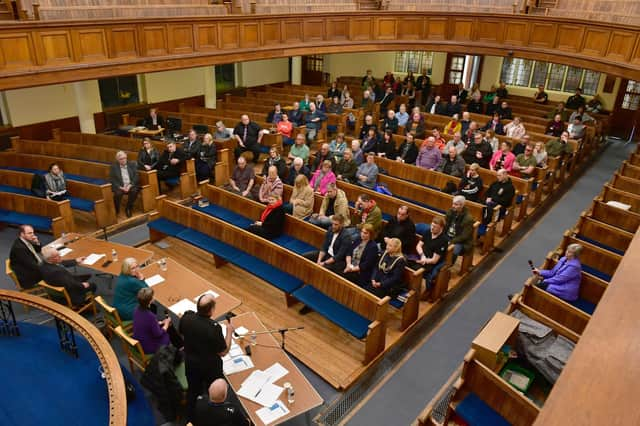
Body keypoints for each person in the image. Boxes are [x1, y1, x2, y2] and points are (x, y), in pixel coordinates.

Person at [179, 294, 233, 420]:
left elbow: (182, 333)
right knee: (215, 393)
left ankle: (191, 418)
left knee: (193, 391)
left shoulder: (187, 318)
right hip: (210, 367)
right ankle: (215, 417)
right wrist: (229, 332)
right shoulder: (214, 328)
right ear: (212, 310)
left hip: (191, 363)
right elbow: (223, 352)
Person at [133, 287, 183, 354]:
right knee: (169, 330)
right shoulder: (150, 316)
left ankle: (180, 345)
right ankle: (179, 347)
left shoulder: (136, 309)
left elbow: (146, 324)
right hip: (148, 346)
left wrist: (161, 323)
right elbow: (158, 334)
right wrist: (166, 323)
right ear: (150, 300)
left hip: (139, 340)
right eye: (153, 296)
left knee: (164, 324)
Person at [412, 216, 448, 289]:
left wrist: (424, 260)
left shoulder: (443, 240)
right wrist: (422, 255)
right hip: (422, 257)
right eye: (432, 225)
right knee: (407, 263)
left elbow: (434, 260)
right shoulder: (428, 232)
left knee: (416, 271)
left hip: (431, 263)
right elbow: (418, 245)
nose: (432, 228)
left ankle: (418, 290)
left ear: (441, 228)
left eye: (435, 227)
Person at [112, 257, 149, 322]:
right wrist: (142, 279)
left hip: (118, 306)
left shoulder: (122, 274)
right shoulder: (132, 281)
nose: (136, 270)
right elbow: (147, 291)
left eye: (137, 266)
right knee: (149, 301)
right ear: (127, 269)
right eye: (133, 268)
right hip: (128, 312)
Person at [9, 224, 43, 289]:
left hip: (29, 266)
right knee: (53, 272)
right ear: (22, 234)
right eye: (30, 233)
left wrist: (36, 242)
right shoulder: (20, 248)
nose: (33, 235)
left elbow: (38, 250)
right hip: (27, 276)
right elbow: (33, 265)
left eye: (33, 232)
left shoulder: (25, 240)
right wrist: (47, 266)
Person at [109, 151, 140, 218]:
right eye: (121, 159)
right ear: (117, 159)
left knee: (134, 191)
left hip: (130, 184)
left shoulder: (132, 164)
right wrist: (120, 187)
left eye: (125, 158)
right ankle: (116, 209)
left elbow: (136, 176)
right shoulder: (113, 167)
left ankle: (129, 207)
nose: (123, 160)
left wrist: (129, 185)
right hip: (120, 186)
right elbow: (112, 179)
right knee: (117, 194)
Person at [445, 196, 474, 261]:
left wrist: (451, 242)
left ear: (462, 205)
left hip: (460, 241)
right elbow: (445, 225)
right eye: (453, 203)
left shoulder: (468, 219)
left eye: (455, 204)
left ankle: (447, 265)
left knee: (454, 250)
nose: (453, 206)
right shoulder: (451, 211)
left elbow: (464, 236)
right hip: (448, 236)